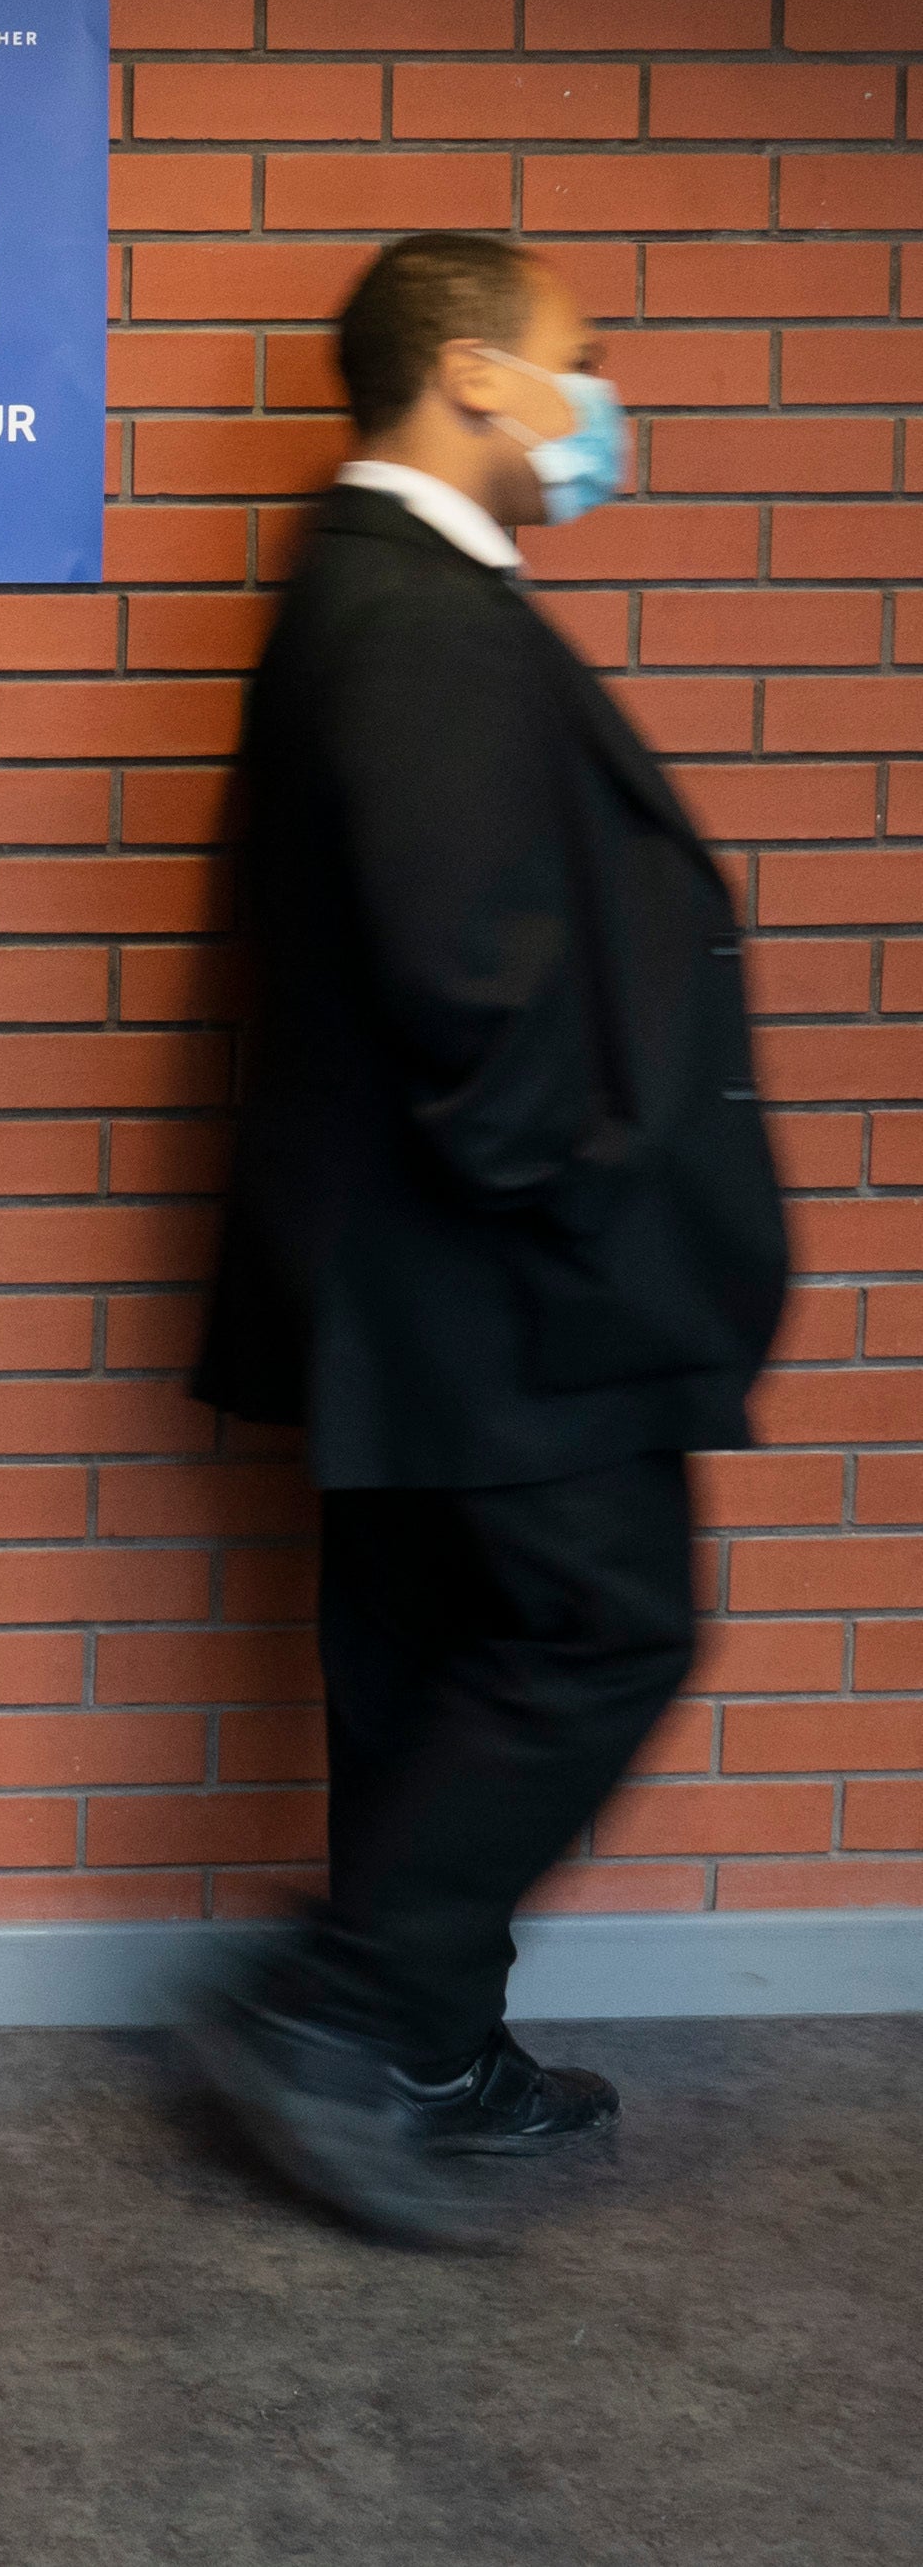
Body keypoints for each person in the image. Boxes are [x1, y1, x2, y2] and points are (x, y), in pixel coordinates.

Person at [185, 233, 786, 2243]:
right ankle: (346, 2013)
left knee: (424, 1653)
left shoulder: (385, 592)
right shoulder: (410, 609)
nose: (601, 400)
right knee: (604, 1626)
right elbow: (469, 973)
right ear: (468, 374)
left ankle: (426, 2046)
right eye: (578, 361)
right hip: (498, 1275)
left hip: (416, 1279)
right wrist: (592, 1193)